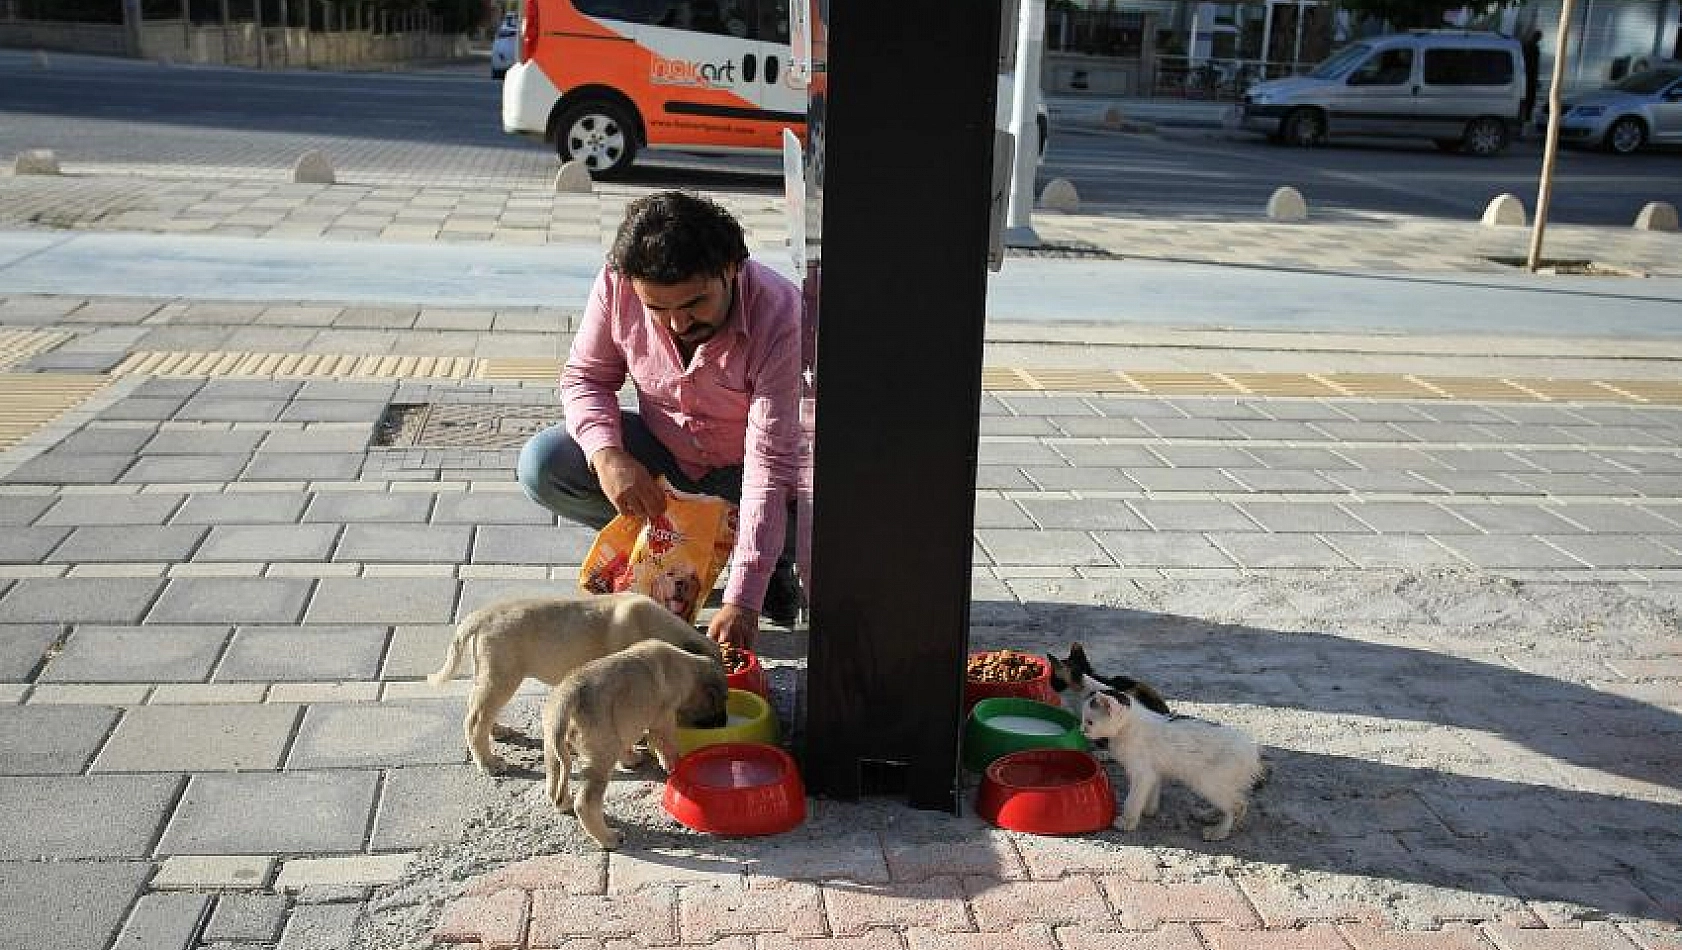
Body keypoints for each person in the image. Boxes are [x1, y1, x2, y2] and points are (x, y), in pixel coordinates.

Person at [517, 191, 803, 650]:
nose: (677, 325)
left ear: (731, 268)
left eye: (694, 304)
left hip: (758, 473)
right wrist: (608, 456)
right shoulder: (617, 283)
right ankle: (665, 550)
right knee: (546, 462)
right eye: (657, 309)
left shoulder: (781, 313)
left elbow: (770, 465)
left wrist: (744, 602)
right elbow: (585, 378)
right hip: (668, 461)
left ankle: (767, 569)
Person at [1521, 29, 1542, 128]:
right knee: (1529, 101)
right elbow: (1534, 66)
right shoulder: (1532, 48)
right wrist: (1535, 79)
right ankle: (1525, 122)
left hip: (1524, 77)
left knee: (1526, 101)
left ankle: (1524, 122)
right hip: (1529, 78)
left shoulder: (1524, 46)